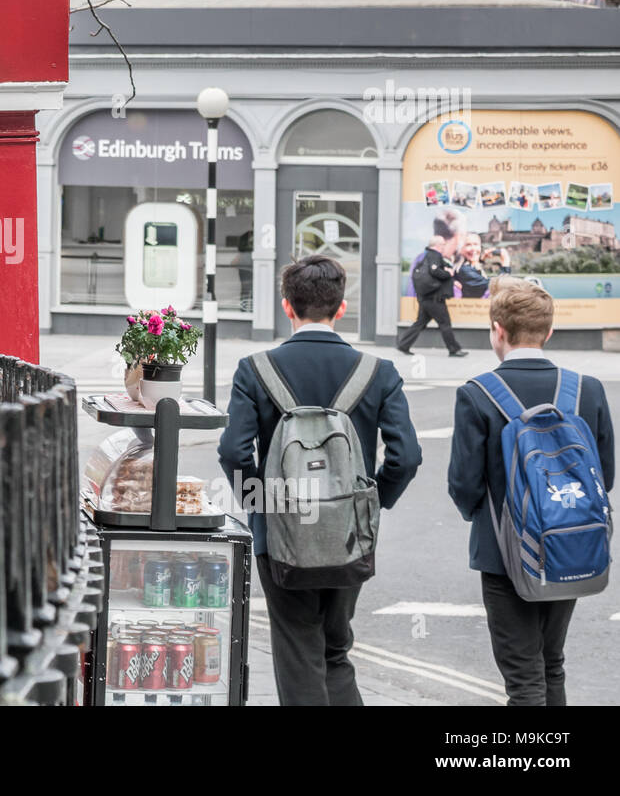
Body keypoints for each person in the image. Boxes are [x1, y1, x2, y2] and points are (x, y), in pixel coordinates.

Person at [217, 254, 422, 705]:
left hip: (283, 538)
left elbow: (233, 451)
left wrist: (264, 506)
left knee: (298, 652)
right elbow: (406, 457)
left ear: (287, 306)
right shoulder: (379, 372)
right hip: (349, 535)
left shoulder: (255, 370)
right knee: (335, 650)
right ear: (341, 308)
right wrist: (369, 504)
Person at [447, 278, 614, 705]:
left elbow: (463, 484)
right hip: (569, 545)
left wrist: (485, 519)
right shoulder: (587, 389)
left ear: (497, 330)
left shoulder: (477, 393)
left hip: (505, 556)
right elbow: (605, 476)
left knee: (522, 678)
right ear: (549, 331)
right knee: (550, 662)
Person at [397, 235, 468, 356]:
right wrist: (448, 273)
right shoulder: (434, 255)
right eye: (442, 245)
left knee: (420, 322)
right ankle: (454, 349)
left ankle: (403, 345)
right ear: (437, 245)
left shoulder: (425, 255)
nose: (444, 247)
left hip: (426, 297)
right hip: (434, 298)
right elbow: (435, 271)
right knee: (445, 323)